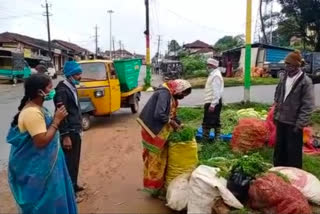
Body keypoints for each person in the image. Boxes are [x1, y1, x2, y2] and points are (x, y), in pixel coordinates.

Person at [7, 74, 77, 214]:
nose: (53, 91)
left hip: (48, 168)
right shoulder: (32, 113)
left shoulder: (39, 108)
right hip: (39, 172)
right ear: (40, 91)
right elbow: (41, 142)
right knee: (46, 205)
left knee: (56, 199)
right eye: (50, 87)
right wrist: (57, 120)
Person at [137, 79, 192, 196]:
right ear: (178, 89)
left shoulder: (171, 94)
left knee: (161, 158)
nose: (182, 96)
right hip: (152, 130)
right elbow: (159, 114)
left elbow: (171, 113)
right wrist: (172, 123)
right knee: (155, 159)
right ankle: (153, 188)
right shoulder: (164, 93)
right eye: (182, 93)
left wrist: (179, 122)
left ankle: (160, 185)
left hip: (160, 129)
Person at [274, 50, 315, 168]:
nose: (286, 66)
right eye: (286, 64)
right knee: (279, 151)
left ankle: (294, 176)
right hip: (281, 120)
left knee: (293, 153)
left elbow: (307, 106)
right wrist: (276, 113)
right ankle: (278, 172)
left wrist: (300, 124)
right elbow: (278, 95)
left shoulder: (305, 82)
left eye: (289, 64)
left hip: (294, 123)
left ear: (296, 65)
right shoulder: (283, 77)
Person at [54, 61, 84, 195]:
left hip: (76, 130)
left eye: (80, 73)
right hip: (69, 132)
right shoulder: (62, 90)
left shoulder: (71, 86)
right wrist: (65, 135)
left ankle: (74, 185)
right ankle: (70, 192)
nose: (80, 76)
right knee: (69, 162)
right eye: (77, 74)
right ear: (70, 74)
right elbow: (61, 114)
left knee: (75, 160)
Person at [202, 58, 224, 142]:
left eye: (208, 65)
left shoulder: (216, 76)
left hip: (213, 102)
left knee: (208, 121)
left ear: (213, 66)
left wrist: (213, 104)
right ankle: (216, 139)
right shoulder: (213, 74)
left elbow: (216, 91)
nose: (207, 67)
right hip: (211, 101)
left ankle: (206, 140)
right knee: (214, 120)